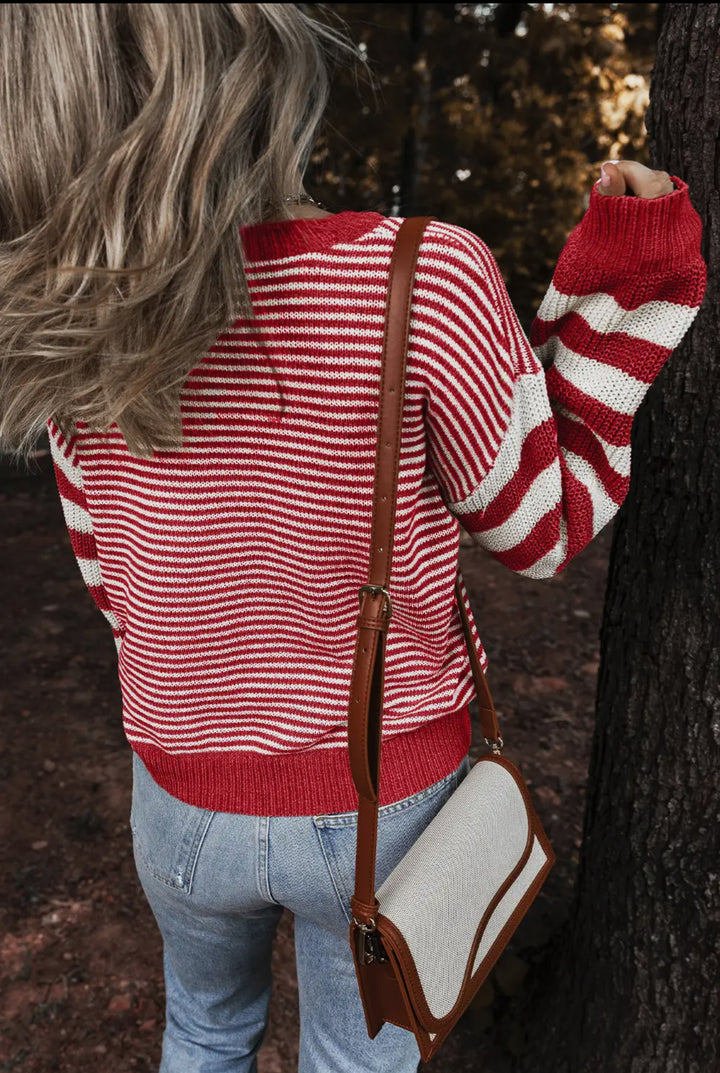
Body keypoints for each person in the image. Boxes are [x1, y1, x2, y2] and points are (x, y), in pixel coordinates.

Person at [0, 5, 707, 1073]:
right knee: (358, 1058)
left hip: (181, 799)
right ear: (263, 61)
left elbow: (115, 586)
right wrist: (624, 274)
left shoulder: (70, 326)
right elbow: (542, 529)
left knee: (200, 1030)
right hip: (383, 802)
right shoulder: (422, 276)